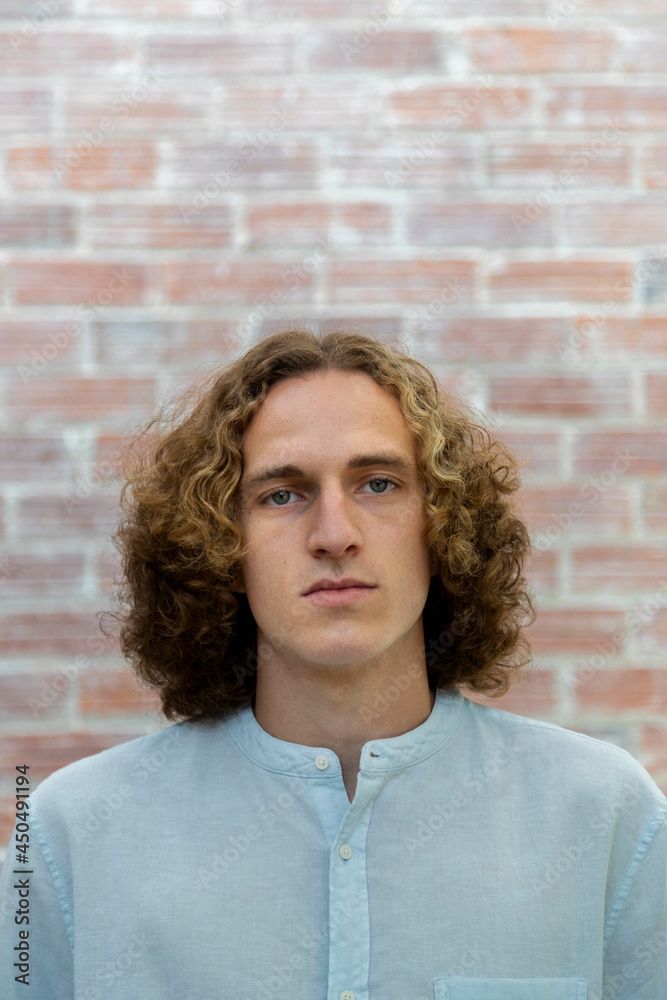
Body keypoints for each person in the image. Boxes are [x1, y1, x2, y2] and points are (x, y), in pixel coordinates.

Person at [0, 328, 665, 1000]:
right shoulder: (67, 836)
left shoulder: (606, 816)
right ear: (220, 547)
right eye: (282, 494)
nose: (335, 535)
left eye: (377, 484)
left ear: (443, 528)